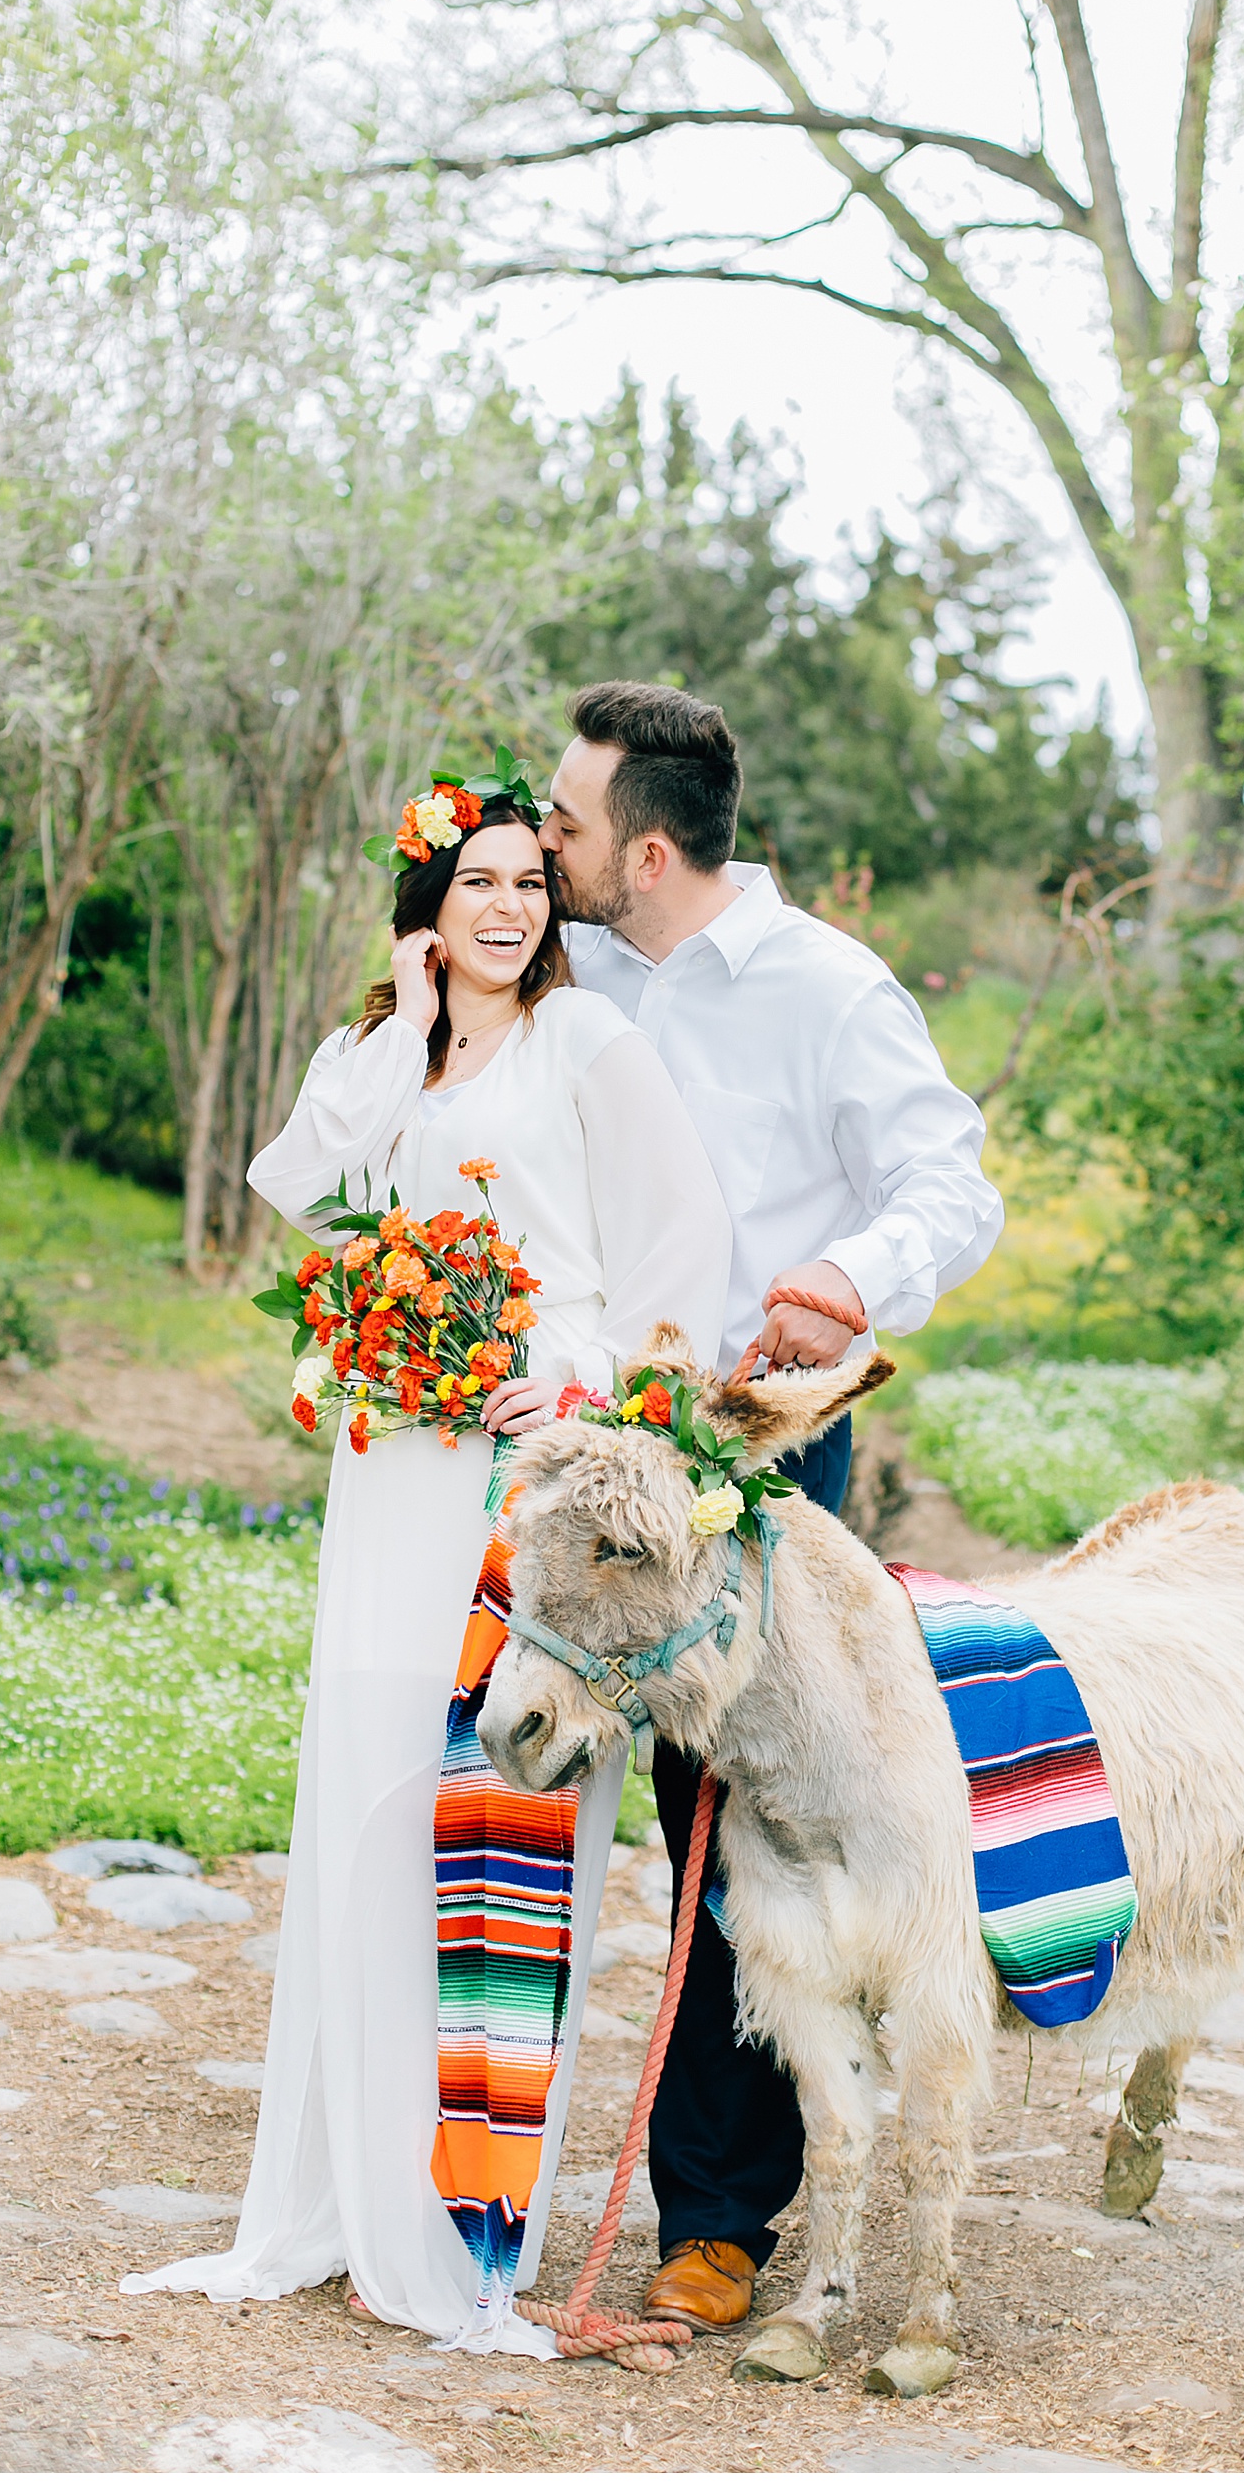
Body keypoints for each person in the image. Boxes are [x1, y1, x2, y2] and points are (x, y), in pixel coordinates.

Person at [120, 769, 730, 2356]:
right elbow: (309, 1193)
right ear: (429, 905)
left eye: (534, 881)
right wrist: (402, 1024)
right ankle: (346, 2198)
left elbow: (680, 1256)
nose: (511, 906)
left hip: (523, 1486)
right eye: (478, 882)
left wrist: (582, 1374)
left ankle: (465, 2231)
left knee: (493, 1822)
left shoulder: (593, 1042)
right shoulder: (379, 1055)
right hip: (391, 1472)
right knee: (369, 1808)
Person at [541, 678, 1005, 2337]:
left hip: (742, 1470)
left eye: (568, 818)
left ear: (647, 850)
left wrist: (845, 1274)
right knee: (505, 1773)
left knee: (717, 1832)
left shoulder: (828, 990)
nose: (544, 838)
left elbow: (954, 1185)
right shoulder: (567, 959)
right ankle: (459, 2160)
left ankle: (719, 2214)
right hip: (555, 1452)